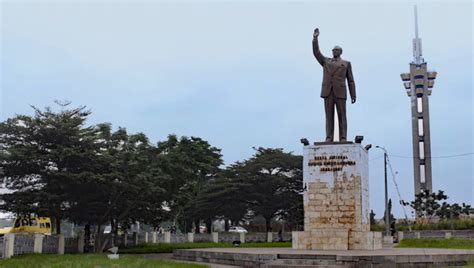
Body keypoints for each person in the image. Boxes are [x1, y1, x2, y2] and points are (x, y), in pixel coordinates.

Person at [312, 28, 356, 142]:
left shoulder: (346, 64)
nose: (334, 51)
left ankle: (343, 137)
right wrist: (315, 39)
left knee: (342, 116)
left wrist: (353, 95)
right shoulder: (326, 61)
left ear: (340, 52)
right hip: (328, 91)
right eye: (333, 50)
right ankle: (329, 137)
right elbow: (316, 53)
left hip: (340, 92)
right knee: (329, 116)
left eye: (336, 50)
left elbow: (351, 80)